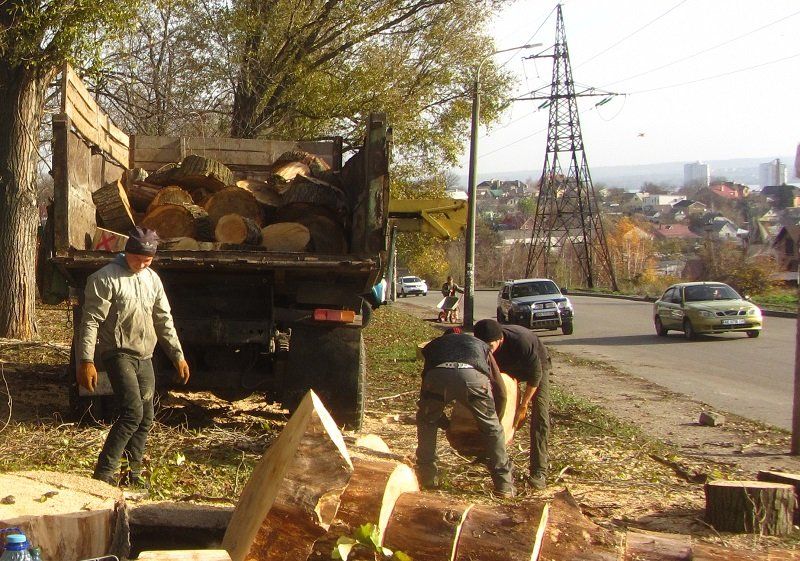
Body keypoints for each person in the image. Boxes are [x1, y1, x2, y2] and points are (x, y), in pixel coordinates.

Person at [77, 227, 190, 487]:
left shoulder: (152, 279)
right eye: (137, 259)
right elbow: (90, 321)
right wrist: (86, 361)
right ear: (126, 252)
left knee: (146, 416)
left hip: (145, 354)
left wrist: (178, 356)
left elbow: (163, 320)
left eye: (147, 260)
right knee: (131, 413)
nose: (141, 264)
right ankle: (103, 475)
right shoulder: (105, 278)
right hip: (117, 352)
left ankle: (133, 475)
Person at [416, 330, 514, 497]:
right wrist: (494, 419)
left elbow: (426, 382)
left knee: (426, 423)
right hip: (472, 377)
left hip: (438, 376)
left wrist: (440, 420)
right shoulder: (480, 345)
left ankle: (427, 479)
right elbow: (499, 388)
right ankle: (504, 486)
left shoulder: (435, 345)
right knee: (493, 430)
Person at [474, 319, 551, 490]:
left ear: (499, 339)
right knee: (492, 408)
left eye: (490, 346)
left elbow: (535, 375)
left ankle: (539, 471)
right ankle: (491, 453)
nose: (488, 350)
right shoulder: (482, 348)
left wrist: (523, 406)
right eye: (483, 346)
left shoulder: (521, 342)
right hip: (505, 369)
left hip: (535, 368)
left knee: (540, 415)